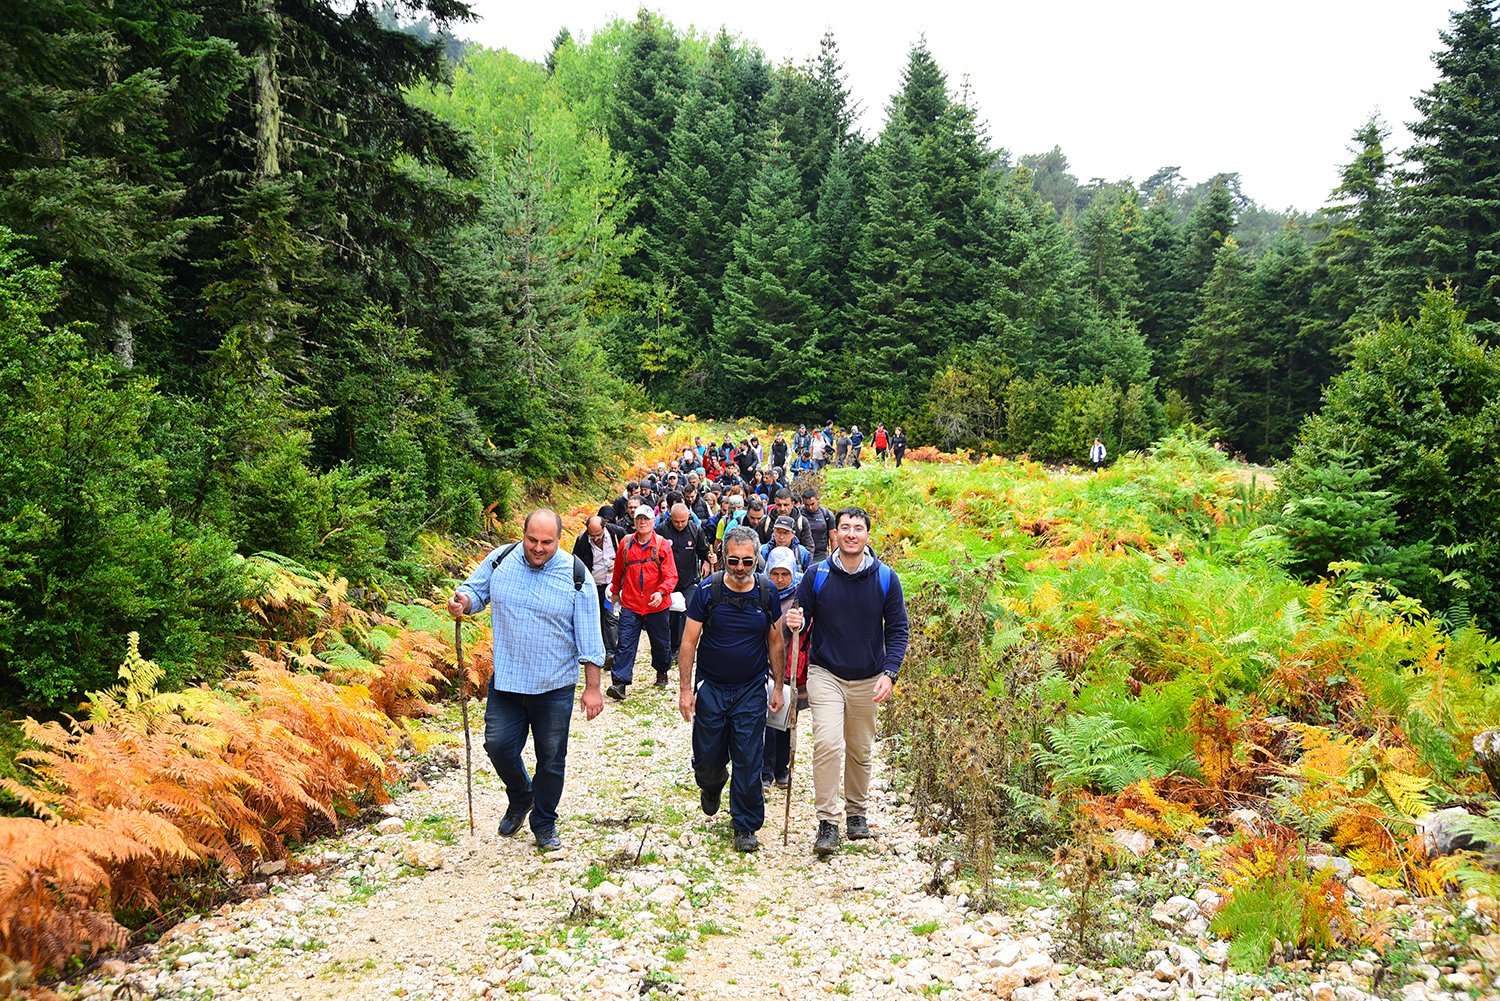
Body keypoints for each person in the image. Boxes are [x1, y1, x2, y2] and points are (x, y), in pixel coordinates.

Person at [448, 510, 606, 851]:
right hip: (507, 681)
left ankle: (545, 822)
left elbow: (591, 638)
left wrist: (593, 688)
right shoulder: (500, 560)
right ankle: (521, 795)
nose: (537, 548)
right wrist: (461, 602)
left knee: (550, 757)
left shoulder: (577, 576)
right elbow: (473, 593)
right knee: (498, 745)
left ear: (559, 540)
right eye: (532, 540)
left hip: (554, 686)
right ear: (523, 534)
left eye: (546, 543)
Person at [785, 506, 909, 856]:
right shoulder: (816, 574)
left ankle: (857, 813)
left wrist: (890, 673)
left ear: (869, 536)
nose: (851, 534)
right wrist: (794, 620)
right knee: (827, 743)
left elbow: (898, 630)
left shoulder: (886, 578)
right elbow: (798, 617)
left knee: (859, 748)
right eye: (845, 528)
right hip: (825, 672)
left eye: (858, 528)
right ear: (834, 534)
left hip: (869, 676)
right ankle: (828, 820)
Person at [678, 526, 786, 853]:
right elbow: (688, 641)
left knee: (749, 759)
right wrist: (686, 689)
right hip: (711, 688)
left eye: (748, 562)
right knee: (707, 759)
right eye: (734, 561)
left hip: (751, 689)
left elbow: (776, 643)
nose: (740, 568)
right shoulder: (707, 592)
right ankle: (711, 785)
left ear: (757, 561)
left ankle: (745, 824)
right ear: (724, 557)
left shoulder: (767, 593)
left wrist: (778, 687)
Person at [608, 505, 678, 698]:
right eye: (639, 519)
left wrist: (662, 593)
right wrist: (615, 592)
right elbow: (618, 571)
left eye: (646, 519)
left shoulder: (662, 545)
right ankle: (619, 683)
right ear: (634, 521)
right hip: (631, 604)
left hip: (657, 605)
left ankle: (662, 670)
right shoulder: (626, 543)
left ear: (653, 522)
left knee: (661, 642)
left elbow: (671, 575)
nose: (642, 522)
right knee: (625, 643)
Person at [761, 547, 804, 792]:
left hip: (790, 665)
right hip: (765, 664)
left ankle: (782, 768)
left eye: (784, 574)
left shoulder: (798, 595)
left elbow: (808, 621)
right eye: (775, 573)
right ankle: (766, 770)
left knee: (787, 719)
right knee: (768, 719)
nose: (779, 579)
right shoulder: (762, 592)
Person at [661, 502, 715, 661]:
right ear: (670, 517)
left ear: (688, 518)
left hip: (689, 580)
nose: (679, 524)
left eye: (683, 521)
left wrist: (709, 558)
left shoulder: (695, 530)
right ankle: (671, 648)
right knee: (670, 614)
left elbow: (704, 550)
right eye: (676, 521)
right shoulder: (662, 530)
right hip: (667, 580)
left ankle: (687, 647)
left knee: (689, 611)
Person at [573, 513, 626, 673]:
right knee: (596, 617)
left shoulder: (618, 533)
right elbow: (576, 563)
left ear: (604, 527)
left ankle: (612, 651)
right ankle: (600, 651)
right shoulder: (582, 541)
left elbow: (629, 553)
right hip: (594, 585)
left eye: (599, 535)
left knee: (612, 615)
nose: (596, 539)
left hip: (614, 586)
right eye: (592, 535)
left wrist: (619, 564)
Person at [800, 488, 836, 562]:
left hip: (821, 556)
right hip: (802, 556)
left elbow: (833, 539)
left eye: (812, 504)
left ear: (817, 500)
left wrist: (834, 558)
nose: (810, 507)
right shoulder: (799, 513)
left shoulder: (826, 515)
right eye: (806, 505)